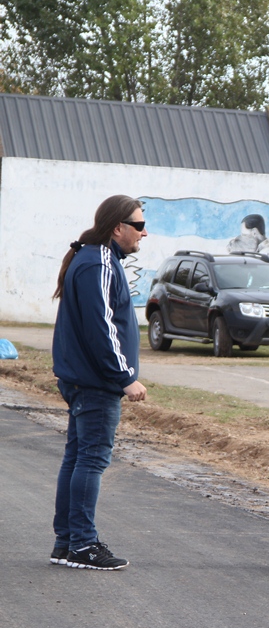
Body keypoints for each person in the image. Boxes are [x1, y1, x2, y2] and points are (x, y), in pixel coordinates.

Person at [50, 195, 149, 571]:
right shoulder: (100, 262)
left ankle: (66, 542)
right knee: (90, 460)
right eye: (138, 226)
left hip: (83, 381)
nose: (144, 232)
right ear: (117, 228)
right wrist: (126, 377)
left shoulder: (90, 258)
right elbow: (102, 328)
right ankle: (83, 544)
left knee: (76, 457)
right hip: (96, 384)